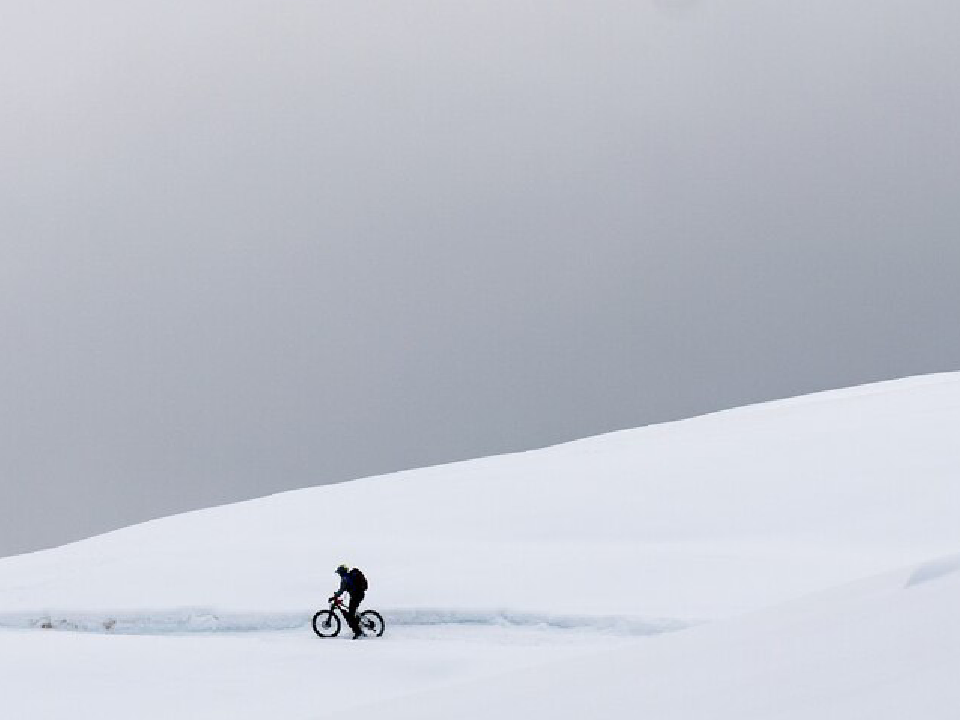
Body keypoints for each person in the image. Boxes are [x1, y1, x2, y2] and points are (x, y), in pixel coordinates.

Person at [330, 564, 368, 639]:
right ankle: (357, 624)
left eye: (339, 573)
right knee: (351, 611)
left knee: (350, 615)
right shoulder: (348, 577)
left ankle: (358, 632)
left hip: (356, 595)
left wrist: (335, 596)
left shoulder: (345, 578)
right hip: (358, 594)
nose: (339, 574)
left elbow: (341, 590)